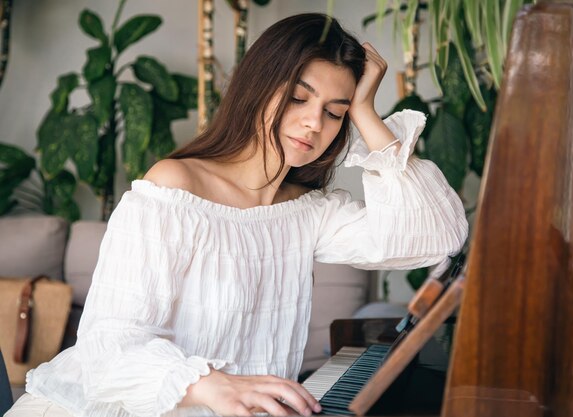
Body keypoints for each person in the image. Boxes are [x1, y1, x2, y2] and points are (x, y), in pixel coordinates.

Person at [6, 13, 467, 417]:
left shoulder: (307, 212)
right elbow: (109, 344)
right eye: (298, 98)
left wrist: (365, 110)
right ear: (259, 87)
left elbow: (433, 237)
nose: (314, 123)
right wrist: (213, 386)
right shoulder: (176, 186)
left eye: (334, 113)